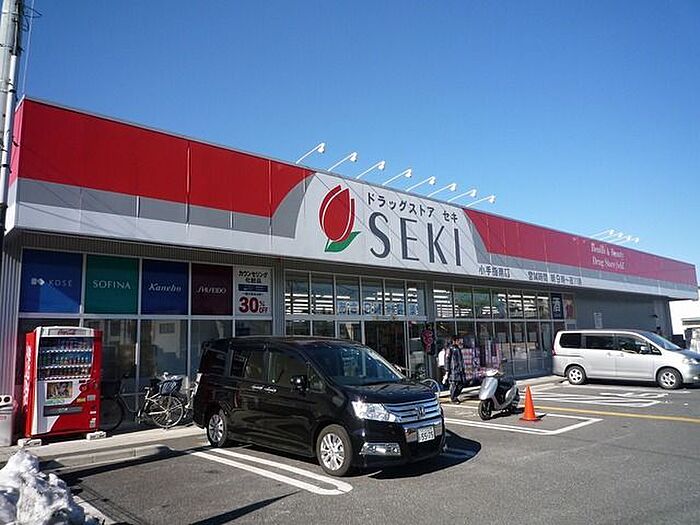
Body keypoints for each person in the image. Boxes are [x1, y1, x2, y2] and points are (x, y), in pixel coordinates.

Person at [445, 335, 467, 404]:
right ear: (453, 341)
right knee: (454, 384)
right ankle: (453, 398)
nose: (459, 341)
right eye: (457, 340)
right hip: (453, 370)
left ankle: (455, 396)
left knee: (462, 383)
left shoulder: (458, 348)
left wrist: (462, 368)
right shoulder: (450, 349)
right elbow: (447, 360)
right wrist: (447, 370)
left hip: (460, 369)